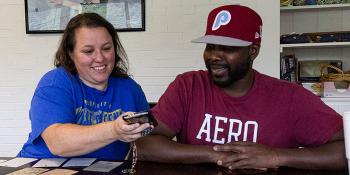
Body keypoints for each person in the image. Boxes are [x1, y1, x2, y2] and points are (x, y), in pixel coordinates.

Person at [137, 5, 346, 170]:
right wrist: (215, 154)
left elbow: (344, 150)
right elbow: (144, 145)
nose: (214, 57)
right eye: (210, 47)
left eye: (227, 48)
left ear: (253, 51)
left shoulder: (290, 97)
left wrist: (275, 156)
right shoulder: (188, 86)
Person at [18, 13, 152, 160]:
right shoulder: (55, 83)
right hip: (43, 166)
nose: (100, 58)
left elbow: (148, 139)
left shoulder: (130, 88)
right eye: (88, 51)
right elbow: (58, 144)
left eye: (106, 48)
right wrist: (114, 130)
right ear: (70, 53)